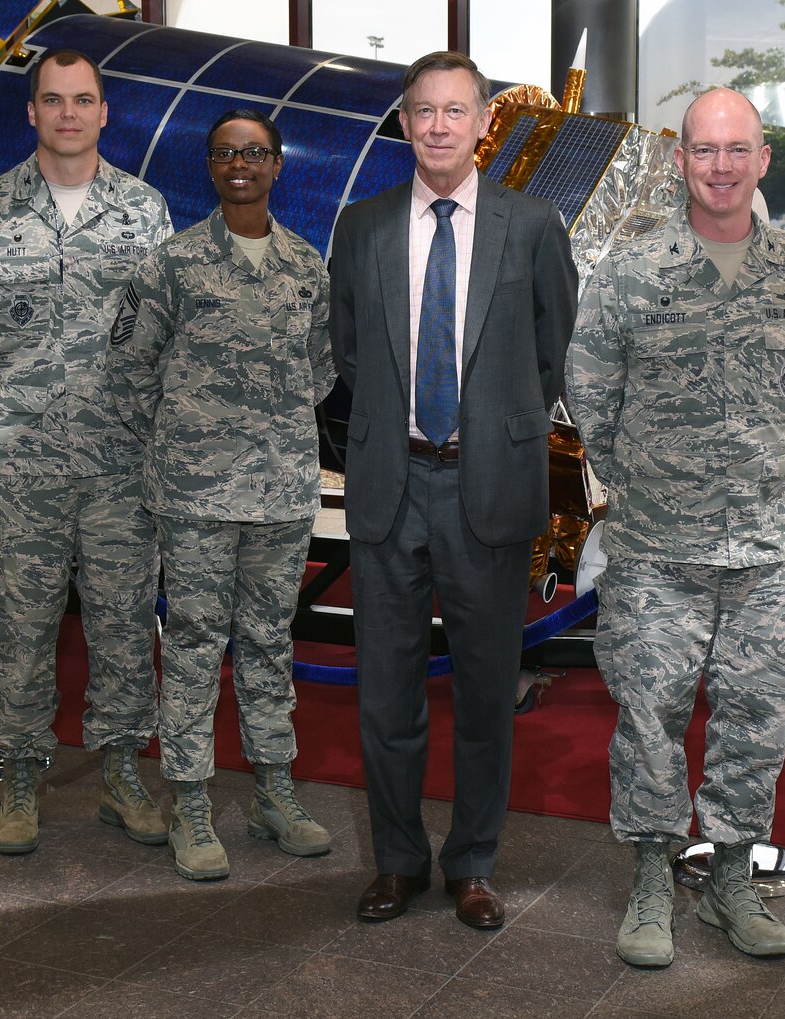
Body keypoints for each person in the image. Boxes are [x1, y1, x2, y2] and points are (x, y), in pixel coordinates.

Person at [565, 86, 785, 969]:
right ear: (680, 160)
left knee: (757, 716)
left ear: (762, 159)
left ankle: (730, 879)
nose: (720, 166)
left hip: (766, 545)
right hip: (656, 551)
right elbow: (590, 392)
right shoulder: (633, 269)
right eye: (703, 150)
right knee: (649, 715)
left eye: (736, 149)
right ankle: (651, 872)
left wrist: (745, 468)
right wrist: (651, 479)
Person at [328, 50, 578, 930]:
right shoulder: (360, 228)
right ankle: (397, 860)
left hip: (488, 489)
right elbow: (352, 351)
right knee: (386, 695)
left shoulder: (535, 223)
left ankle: (472, 863)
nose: (438, 124)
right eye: (422, 110)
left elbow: (552, 351)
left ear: (483, 124)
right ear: (404, 124)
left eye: (455, 110)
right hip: (390, 487)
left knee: (484, 695)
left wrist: (496, 419)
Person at [0, 48, 173, 857]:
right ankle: (17, 778)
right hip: (21, 468)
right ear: (31, 113)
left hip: (119, 464)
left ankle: (120, 774)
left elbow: (160, 330)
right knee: (19, 623)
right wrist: (19, 409)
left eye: (83, 100)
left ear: (105, 112)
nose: (69, 113)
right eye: (53, 100)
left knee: (121, 622)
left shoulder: (145, 211)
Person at [112, 108, 335, 882]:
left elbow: (320, 372)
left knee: (272, 643)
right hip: (198, 494)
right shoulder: (171, 264)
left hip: (279, 492)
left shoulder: (307, 266)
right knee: (197, 645)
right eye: (225, 153)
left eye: (255, 152)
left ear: (277, 165)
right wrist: (186, 437)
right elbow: (131, 368)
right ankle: (192, 802)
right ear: (209, 166)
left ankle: (275, 789)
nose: (240, 163)